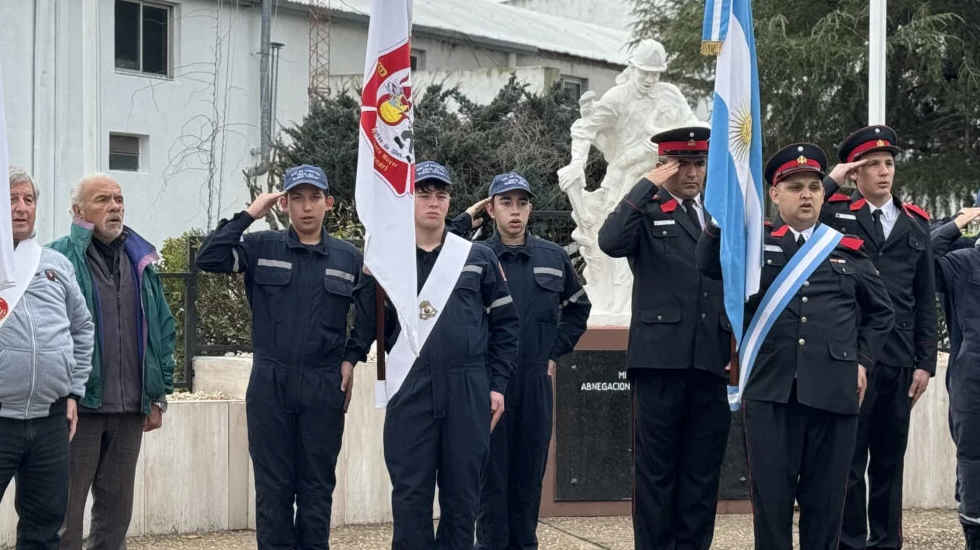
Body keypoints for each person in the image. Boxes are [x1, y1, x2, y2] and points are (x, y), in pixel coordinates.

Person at [698, 143, 894, 550]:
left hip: (834, 394)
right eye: (795, 187)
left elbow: (881, 314)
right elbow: (708, 264)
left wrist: (861, 360)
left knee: (825, 507)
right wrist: (723, 216)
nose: (806, 195)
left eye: (813, 187)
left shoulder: (847, 250)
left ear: (824, 193)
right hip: (772, 392)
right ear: (774, 194)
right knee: (771, 504)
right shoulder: (754, 245)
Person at [349, 161, 520, 550]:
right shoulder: (387, 261)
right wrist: (367, 278)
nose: (432, 202)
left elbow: (507, 327)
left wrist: (497, 386)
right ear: (409, 200)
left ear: (449, 202)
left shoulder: (477, 258)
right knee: (410, 497)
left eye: (440, 195)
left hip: (468, 386)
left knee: (462, 499)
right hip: (411, 388)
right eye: (423, 194)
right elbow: (368, 325)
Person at [196, 165, 363, 549]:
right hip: (271, 382)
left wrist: (351, 358)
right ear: (284, 204)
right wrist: (250, 214)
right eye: (297, 198)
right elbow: (209, 258)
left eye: (314, 197)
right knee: (273, 491)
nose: (306, 207)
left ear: (329, 203)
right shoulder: (261, 247)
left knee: (316, 490)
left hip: (324, 384)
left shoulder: (347, 257)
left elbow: (369, 315)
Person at [597, 125, 732, 550]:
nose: (692, 174)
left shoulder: (718, 212)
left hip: (711, 359)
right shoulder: (648, 208)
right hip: (660, 361)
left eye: (698, 164)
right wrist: (643, 186)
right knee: (656, 473)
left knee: (702, 471)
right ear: (664, 166)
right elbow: (609, 241)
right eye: (682, 165)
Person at [454, 172, 590, 550]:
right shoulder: (473, 257)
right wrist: (468, 218)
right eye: (506, 203)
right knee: (489, 482)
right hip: (487, 384)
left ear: (530, 209)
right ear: (491, 208)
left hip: (533, 381)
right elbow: (434, 242)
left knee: (529, 479)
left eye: (522, 203)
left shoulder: (553, 256)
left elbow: (579, 308)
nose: (515, 212)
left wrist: (553, 352)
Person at [819, 126, 937, 550]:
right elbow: (804, 212)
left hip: (900, 360)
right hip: (854, 358)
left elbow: (925, 298)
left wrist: (925, 362)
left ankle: (887, 543)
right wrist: (832, 179)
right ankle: (850, 542)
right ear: (856, 174)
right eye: (873, 165)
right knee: (849, 462)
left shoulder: (915, 224)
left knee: (889, 462)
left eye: (888, 164)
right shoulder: (836, 216)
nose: (884, 172)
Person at [51, 173, 176, 550]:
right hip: (78, 408)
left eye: (118, 200)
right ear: (78, 211)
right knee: (64, 514)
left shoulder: (142, 262)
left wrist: (157, 395)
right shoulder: (57, 259)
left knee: (116, 515)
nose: (115, 207)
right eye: (103, 200)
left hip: (128, 409)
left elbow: (163, 330)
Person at [0, 168, 93, 549]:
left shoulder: (57, 264)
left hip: (51, 420)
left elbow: (83, 329)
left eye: (28, 199)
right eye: (11, 199)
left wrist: (73, 392)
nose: (21, 208)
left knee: (44, 527)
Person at [930, 206, 980, 549]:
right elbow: (924, 258)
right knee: (974, 461)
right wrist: (959, 221)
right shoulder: (963, 260)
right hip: (973, 381)